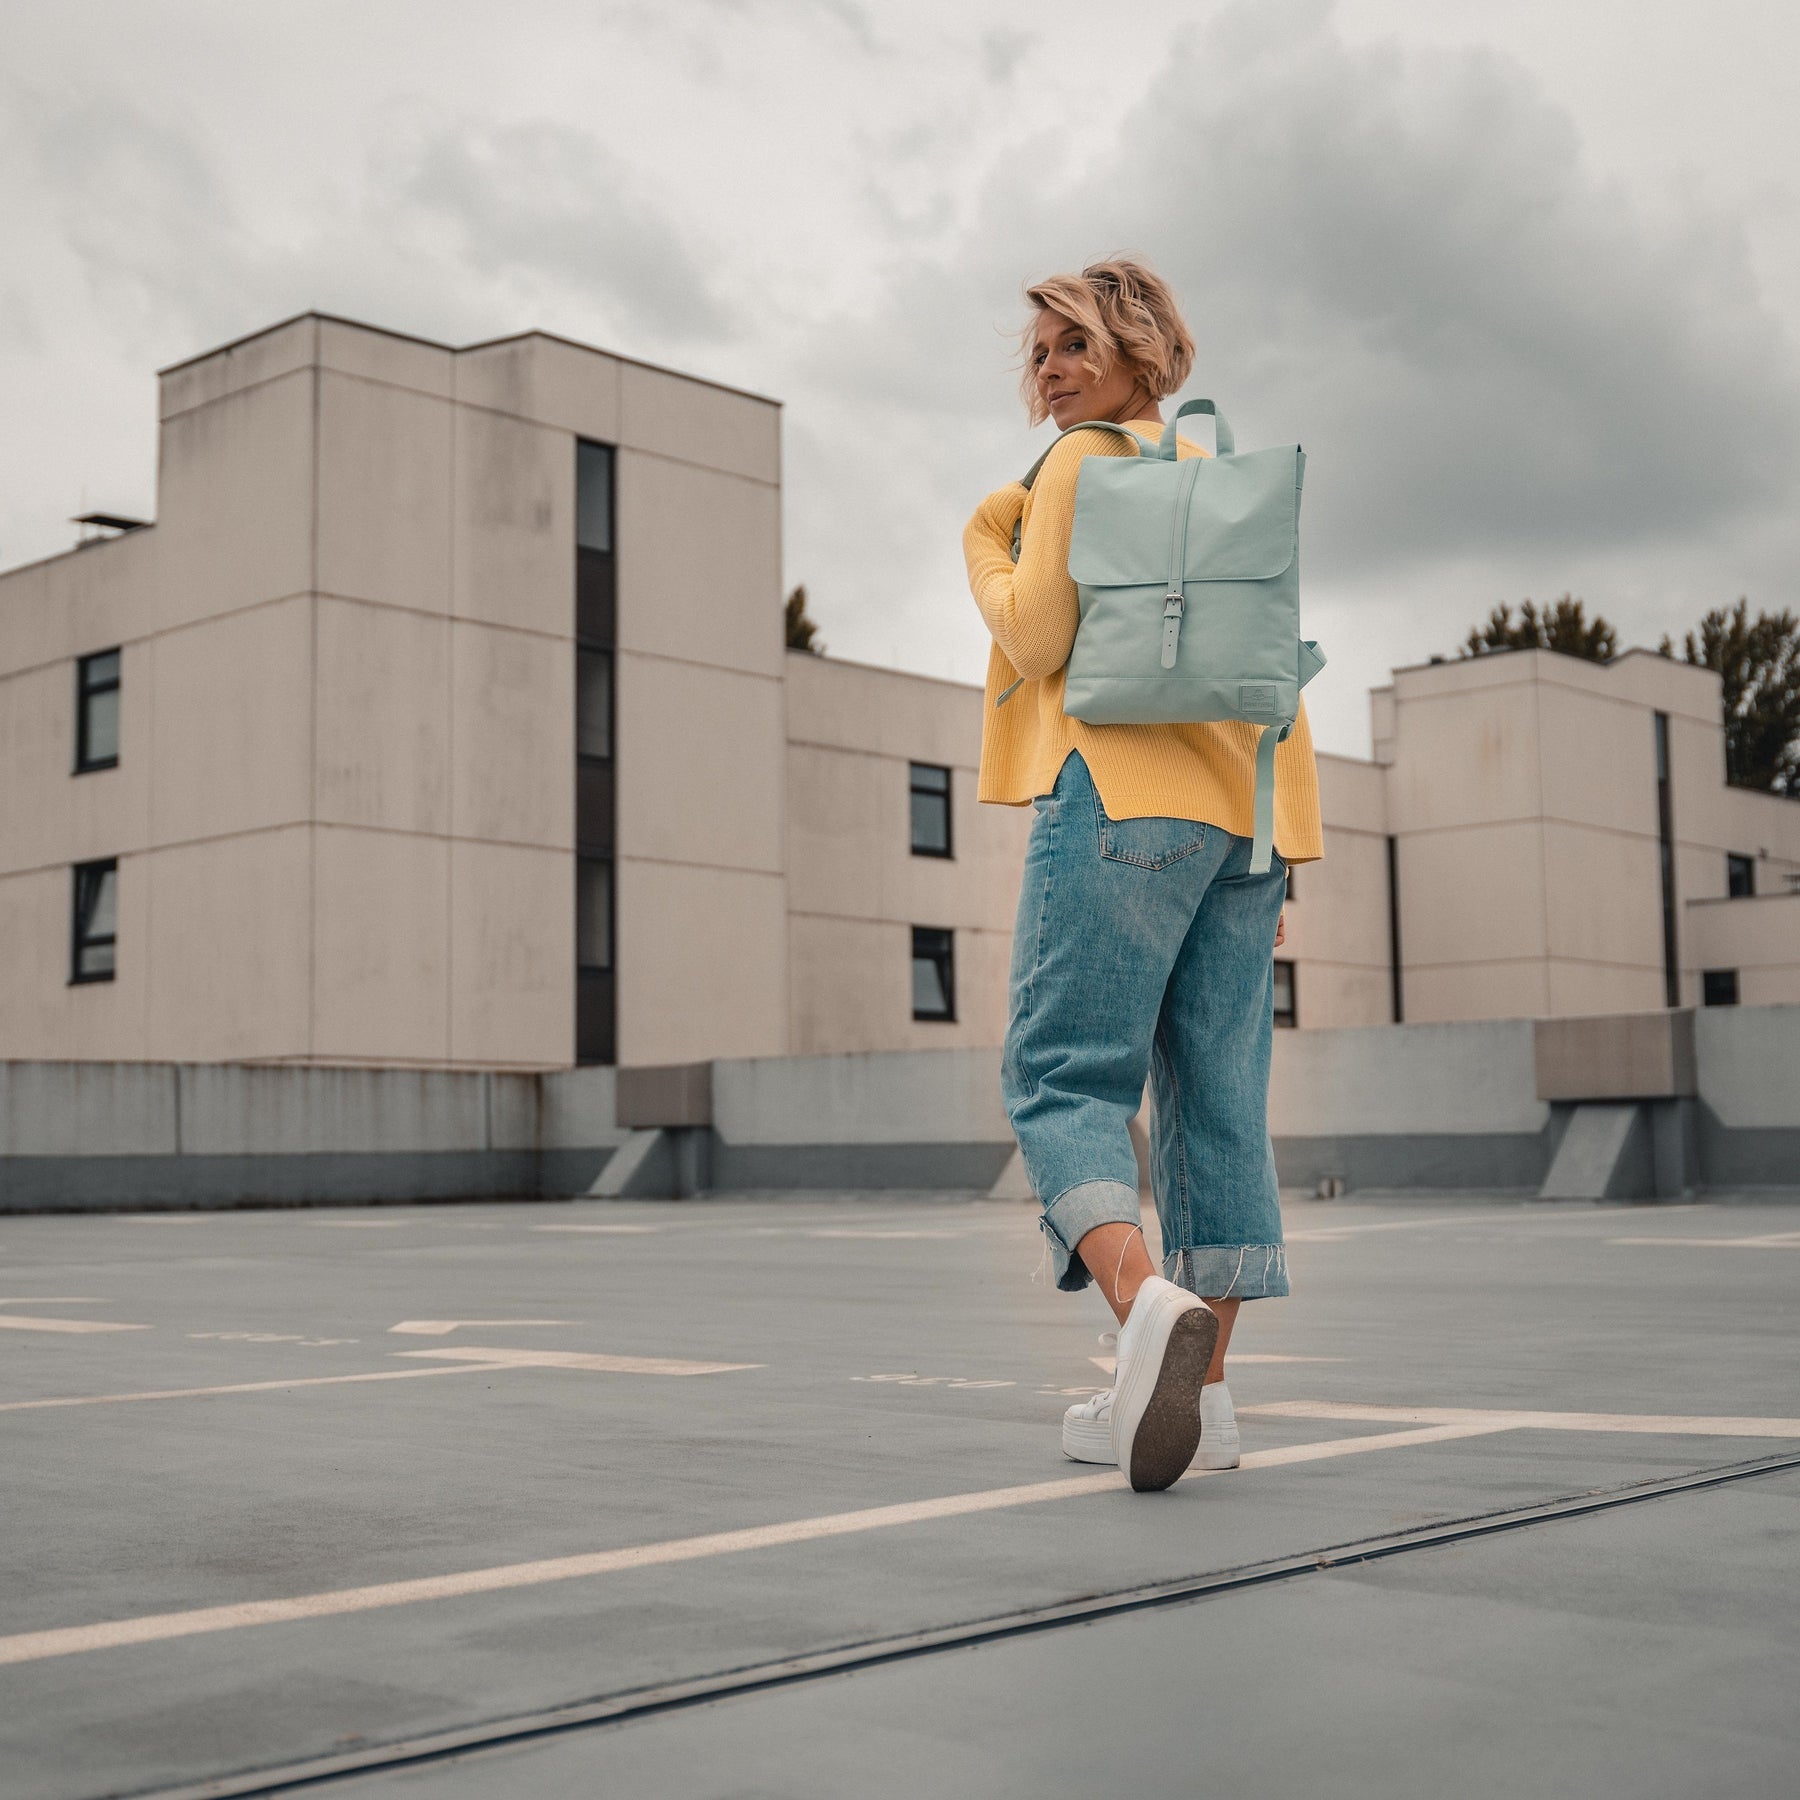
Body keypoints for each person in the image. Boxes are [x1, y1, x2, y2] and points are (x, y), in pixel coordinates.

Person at [962, 257, 1323, 1492]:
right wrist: (1284, 845)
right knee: (1216, 1101)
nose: (1052, 372)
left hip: (1117, 798)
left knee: (1062, 1075)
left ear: (1134, 352)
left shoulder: (1076, 465)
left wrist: (987, 544)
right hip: (1244, 824)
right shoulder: (1216, 480)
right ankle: (1202, 1400)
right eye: (1043, 352)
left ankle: (1141, 1302)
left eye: (1074, 346)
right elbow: (1273, 666)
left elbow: (1039, 632)